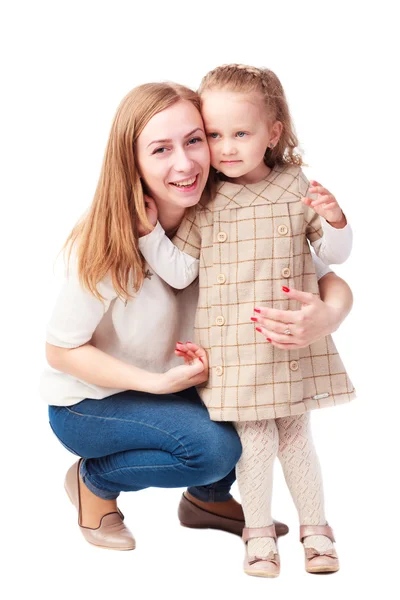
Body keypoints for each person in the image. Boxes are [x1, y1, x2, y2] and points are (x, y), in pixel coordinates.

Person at [42, 80, 353, 557]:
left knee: (253, 403)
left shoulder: (229, 210)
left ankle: (206, 501)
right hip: (93, 402)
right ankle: (92, 480)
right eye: (161, 149)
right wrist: (157, 385)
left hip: (182, 382)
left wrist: (328, 316)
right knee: (213, 449)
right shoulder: (108, 242)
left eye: (195, 139)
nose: (186, 162)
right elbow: (61, 351)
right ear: (133, 161)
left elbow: (322, 273)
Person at [138, 65, 355, 576]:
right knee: (254, 442)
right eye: (214, 135)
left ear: (273, 133)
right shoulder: (206, 202)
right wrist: (150, 234)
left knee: (297, 438)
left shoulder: (295, 187)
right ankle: (258, 533)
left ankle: (317, 529)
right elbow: (181, 271)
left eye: (241, 133)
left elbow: (334, 257)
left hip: (286, 341)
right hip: (235, 348)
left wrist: (336, 219)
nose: (227, 147)